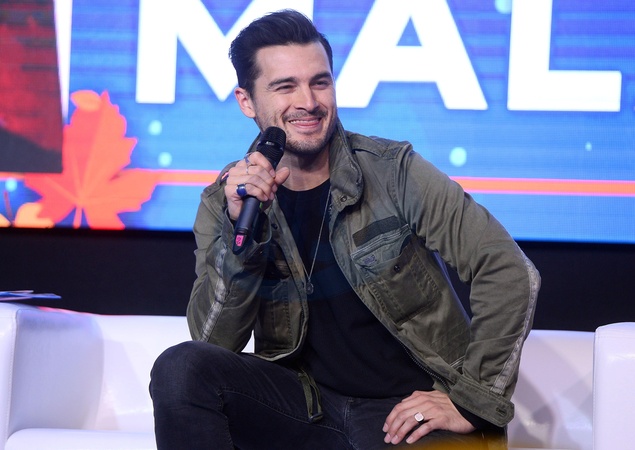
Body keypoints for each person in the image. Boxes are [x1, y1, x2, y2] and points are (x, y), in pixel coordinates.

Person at [150, 9, 540, 449]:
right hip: (304, 408)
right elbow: (213, 342)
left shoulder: (393, 172)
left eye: (320, 82)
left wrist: (470, 400)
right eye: (285, 87)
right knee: (181, 368)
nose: (309, 101)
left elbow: (509, 270)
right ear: (247, 101)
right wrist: (243, 238)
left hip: (406, 411)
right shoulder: (226, 201)